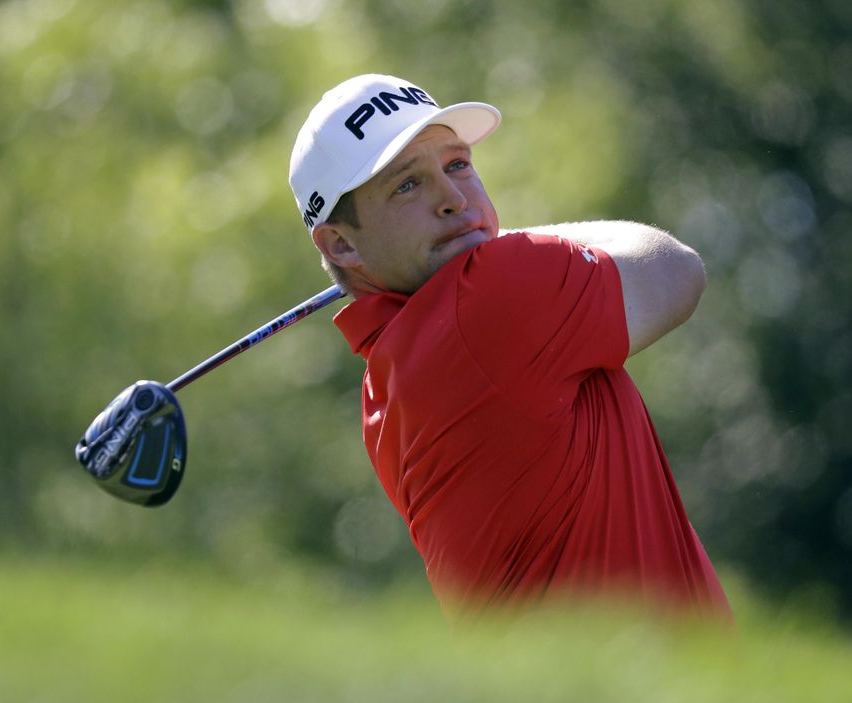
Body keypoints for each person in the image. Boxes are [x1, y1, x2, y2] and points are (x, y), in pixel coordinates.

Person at [288, 73, 732, 619]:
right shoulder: (492, 302)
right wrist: (496, 246)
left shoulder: (382, 389)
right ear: (340, 243)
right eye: (408, 185)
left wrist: (483, 247)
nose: (452, 198)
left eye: (457, 165)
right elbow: (676, 269)